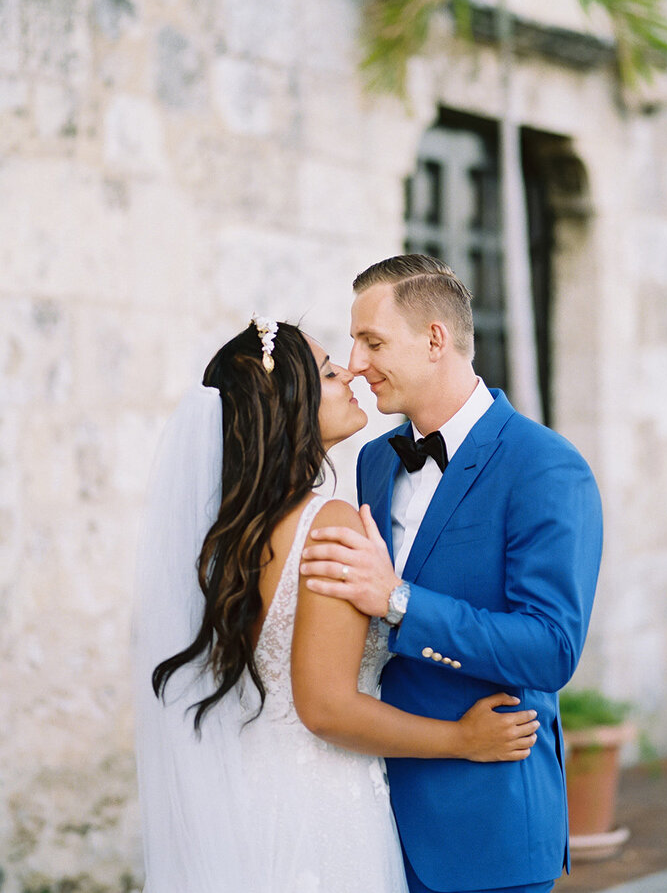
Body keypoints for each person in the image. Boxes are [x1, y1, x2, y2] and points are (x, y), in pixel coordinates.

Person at [132, 316, 539, 893]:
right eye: (328, 371)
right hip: (319, 813)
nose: (350, 369)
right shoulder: (326, 523)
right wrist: (460, 740)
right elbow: (325, 709)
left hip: (251, 798)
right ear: (289, 402)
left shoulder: (232, 535)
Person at [300, 255, 604, 893]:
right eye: (353, 343)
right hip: (369, 822)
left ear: (435, 339)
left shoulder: (546, 466)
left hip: (485, 829)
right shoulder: (376, 464)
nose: (355, 363)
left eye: (373, 341)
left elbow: (550, 649)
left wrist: (400, 602)